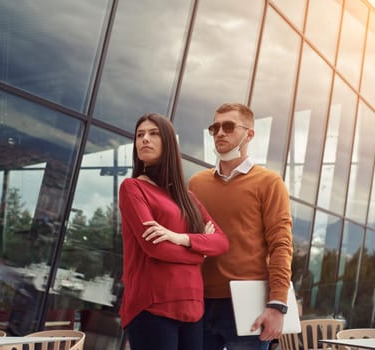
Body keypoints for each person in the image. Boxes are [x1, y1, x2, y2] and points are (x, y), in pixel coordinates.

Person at [118, 113, 229, 350]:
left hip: (192, 307)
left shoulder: (188, 199)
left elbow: (221, 241)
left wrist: (181, 238)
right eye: (140, 135)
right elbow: (155, 247)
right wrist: (200, 252)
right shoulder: (133, 188)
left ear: (168, 142)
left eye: (153, 133)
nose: (144, 139)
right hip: (152, 306)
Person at [188, 102, 293, 350]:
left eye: (228, 126)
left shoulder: (269, 182)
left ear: (249, 134)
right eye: (215, 128)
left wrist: (278, 303)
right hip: (197, 301)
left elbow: (281, 244)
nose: (220, 133)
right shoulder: (196, 183)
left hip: (247, 306)